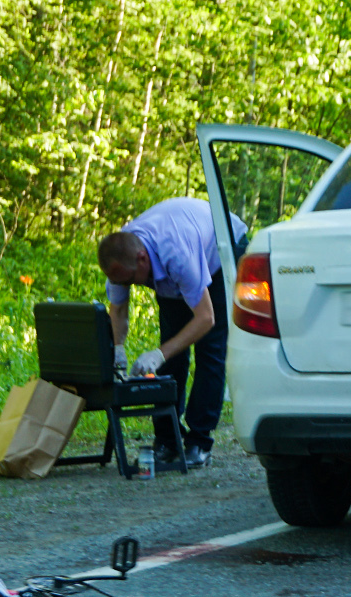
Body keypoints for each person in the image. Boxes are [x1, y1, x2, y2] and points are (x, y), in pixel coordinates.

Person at [98, 197, 244, 469]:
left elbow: (205, 318)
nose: (129, 286)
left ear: (142, 260)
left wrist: (158, 354)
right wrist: (118, 349)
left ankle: (199, 440)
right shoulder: (121, 263)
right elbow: (117, 311)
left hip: (220, 248)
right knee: (172, 351)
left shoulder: (176, 254)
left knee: (209, 350)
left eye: (130, 280)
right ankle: (167, 438)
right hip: (173, 260)